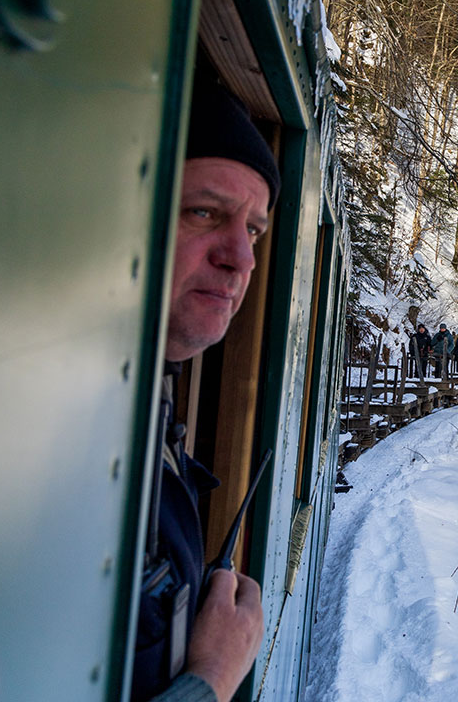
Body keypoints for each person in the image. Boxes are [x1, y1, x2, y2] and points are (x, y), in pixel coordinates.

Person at [135, 80, 271, 702]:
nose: (241, 257)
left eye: (255, 230)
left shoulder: (149, 414)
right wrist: (211, 678)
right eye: (205, 212)